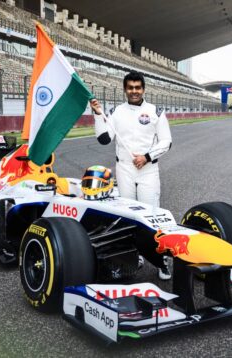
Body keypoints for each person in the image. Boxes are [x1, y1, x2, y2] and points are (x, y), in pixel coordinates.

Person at [89, 71, 173, 280]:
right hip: (125, 169)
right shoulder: (116, 112)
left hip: (147, 169)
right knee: (127, 216)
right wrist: (98, 114)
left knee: (152, 216)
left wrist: (147, 156)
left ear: (143, 89)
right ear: (125, 89)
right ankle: (136, 254)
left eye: (138, 87)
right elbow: (103, 138)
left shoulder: (155, 111)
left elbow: (166, 141)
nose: (134, 91)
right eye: (130, 87)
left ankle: (162, 261)